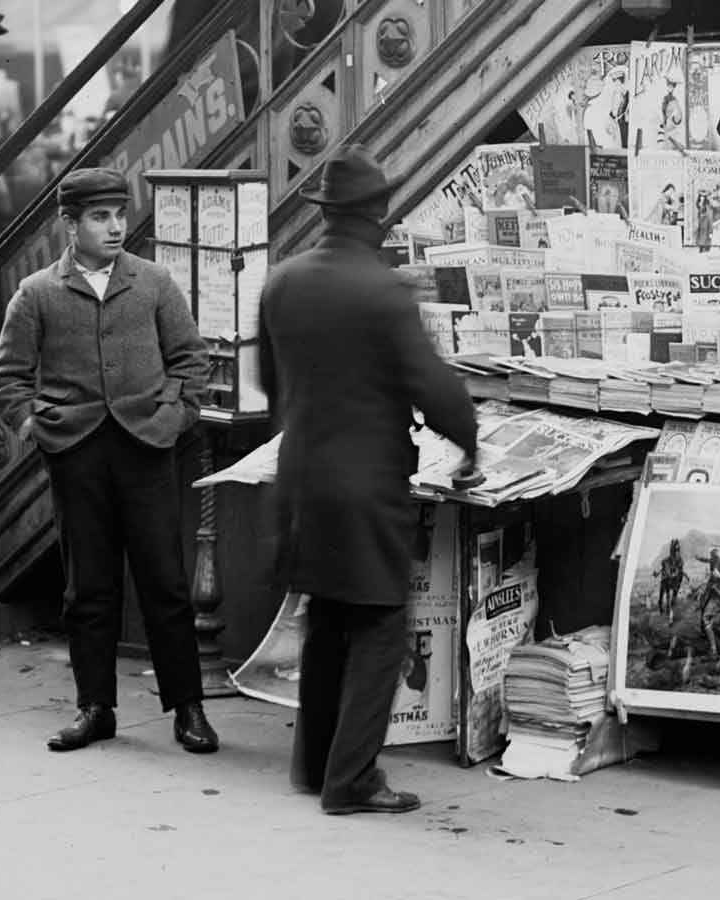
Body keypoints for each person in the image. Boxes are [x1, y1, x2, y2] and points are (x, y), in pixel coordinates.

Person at [258, 145, 477, 815]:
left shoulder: (282, 280)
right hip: (365, 485)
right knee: (381, 625)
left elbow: (271, 384)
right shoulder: (384, 292)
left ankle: (313, 765)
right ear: (377, 216)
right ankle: (350, 781)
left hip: (299, 477)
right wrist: (468, 442)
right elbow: (431, 385)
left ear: (327, 213)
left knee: (326, 616)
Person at [0, 167, 218, 755]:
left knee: (165, 582)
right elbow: (8, 378)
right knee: (86, 588)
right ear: (70, 223)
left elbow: (192, 362)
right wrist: (37, 428)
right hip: (77, 454)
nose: (115, 227)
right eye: (99, 217)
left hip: (147, 450)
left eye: (119, 215)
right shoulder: (37, 292)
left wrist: (171, 419)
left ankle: (187, 708)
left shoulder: (154, 283)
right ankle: (95, 707)